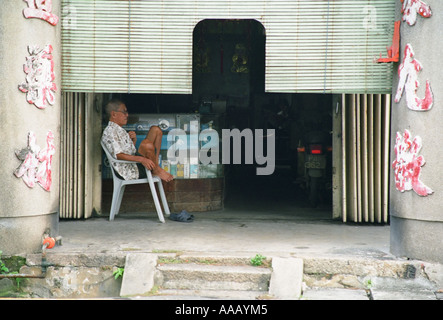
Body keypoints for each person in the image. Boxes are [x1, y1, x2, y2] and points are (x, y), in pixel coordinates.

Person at [101, 98, 173, 182]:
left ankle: (155, 166)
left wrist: (133, 142)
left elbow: (129, 152)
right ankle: (156, 169)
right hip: (130, 170)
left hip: (136, 164)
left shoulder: (119, 130)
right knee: (147, 145)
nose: (127, 115)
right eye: (124, 112)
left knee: (155, 130)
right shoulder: (110, 131)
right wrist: (142, 159)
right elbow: (118, 155)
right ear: (113, 114)